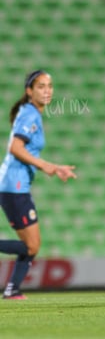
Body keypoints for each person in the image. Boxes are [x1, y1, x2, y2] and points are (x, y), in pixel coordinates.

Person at [0, 70, 77, 299]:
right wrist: (47, 166)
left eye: (49, 86)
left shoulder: (29, 112)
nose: (47, 90)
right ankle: (12, 289)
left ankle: (13, 289)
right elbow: (15, 147)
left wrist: (52, 167)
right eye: (41, 86)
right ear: (29, 91)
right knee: (32, 246)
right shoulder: (30, 114)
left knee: (31, 246)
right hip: (14, 186)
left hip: (14, 186)